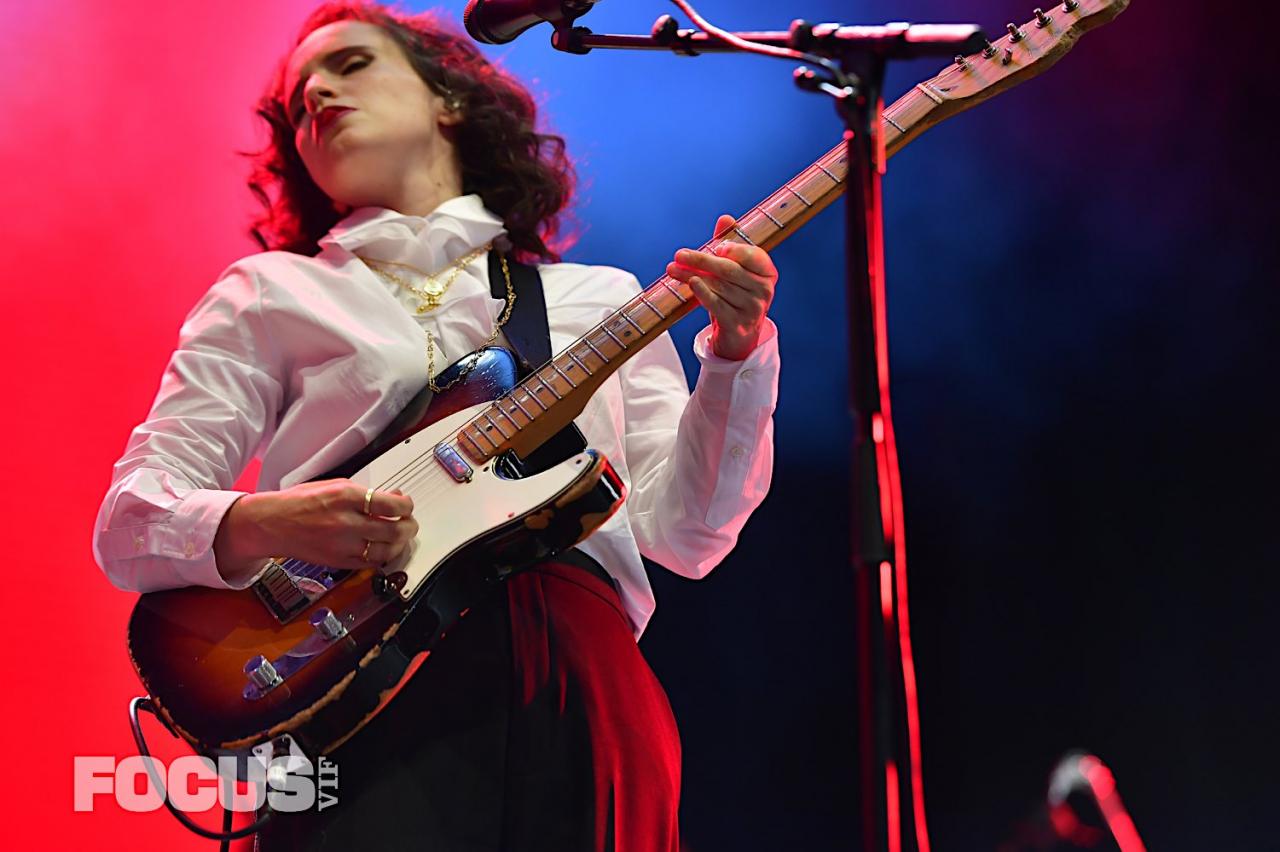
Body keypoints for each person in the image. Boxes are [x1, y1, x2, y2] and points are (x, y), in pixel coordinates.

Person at [94, 2, 780, 849]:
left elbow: (690, 530)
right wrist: (269, 520)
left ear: (448, 98)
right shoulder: (268, 292)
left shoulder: (597, 297)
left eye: (349, 65)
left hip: (579, 675)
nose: (316, 92)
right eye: (297, 97)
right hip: (354, 688)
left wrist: (736, 355)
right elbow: (130, 522)